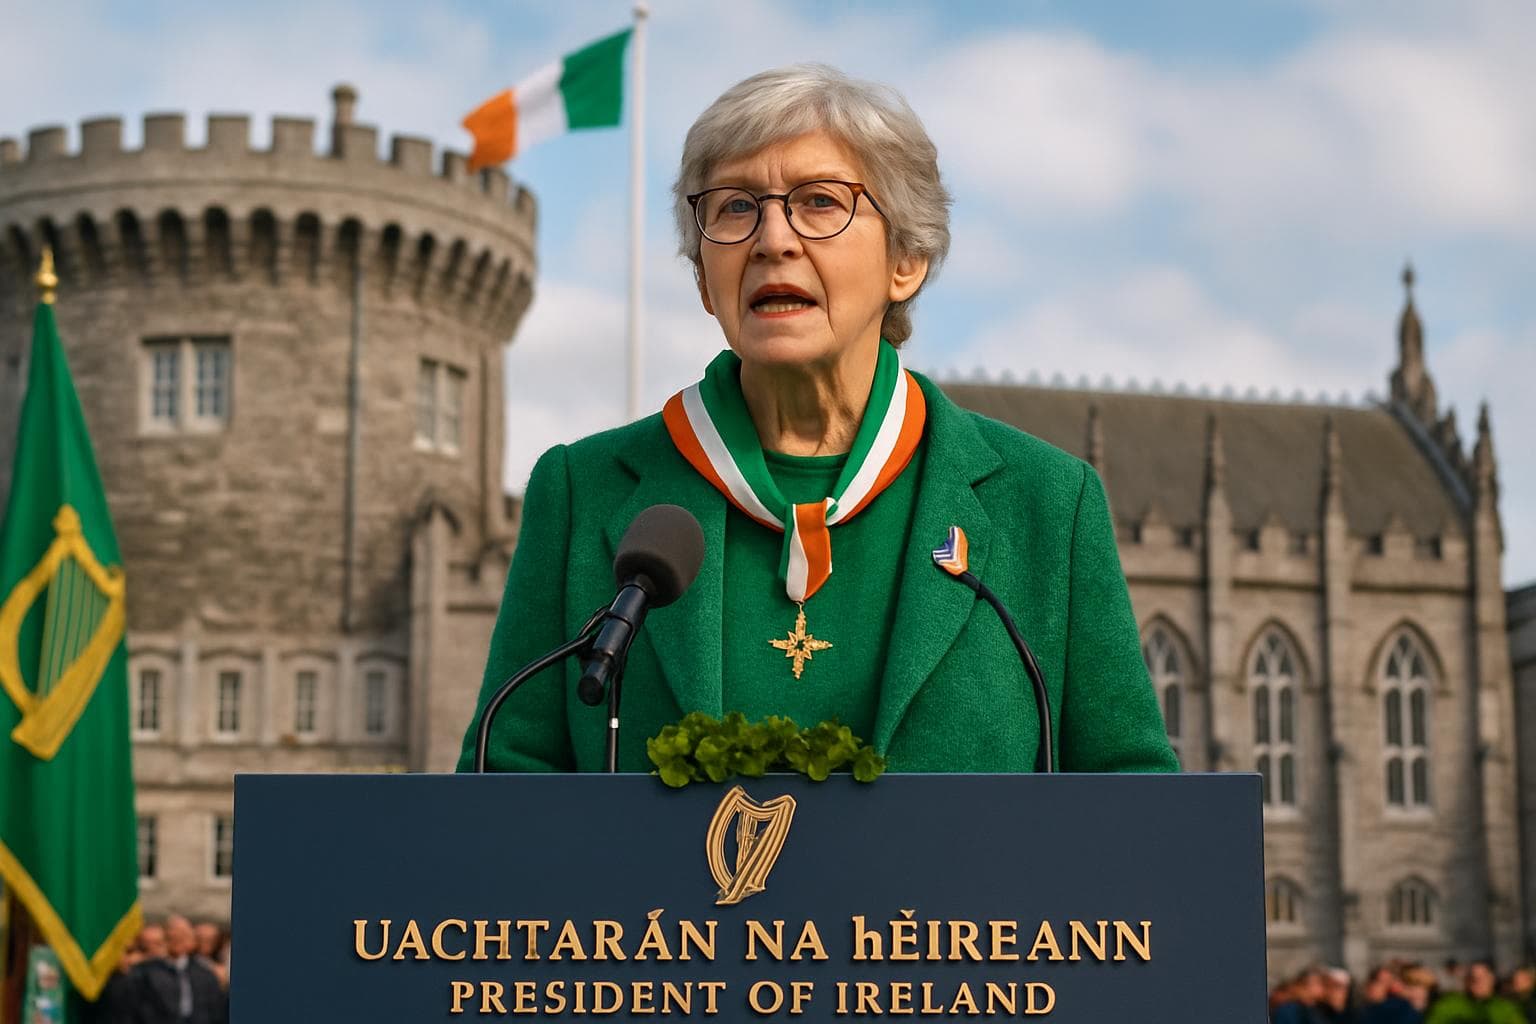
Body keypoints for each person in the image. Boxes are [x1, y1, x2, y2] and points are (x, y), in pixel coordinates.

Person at [459, 64, 1178, 774]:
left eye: (819, 202)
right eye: (736, 207)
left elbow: (1134, 807)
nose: (772, 238)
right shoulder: (579, 492)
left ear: (907, 260)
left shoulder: (1049, 505)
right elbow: (502, 793)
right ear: (705, 278)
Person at [130, 915, 227, 1024]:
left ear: (191, 940)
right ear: (165, 938)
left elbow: (216, 1011)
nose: (177, 940)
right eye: (172, 936)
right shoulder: (145, 973)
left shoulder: (205, 974)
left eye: (182, 936)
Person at [1424, 960, 1527, 1024]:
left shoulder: (1505, 1007)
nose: (1477, 982)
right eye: (1473, 978)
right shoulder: (1449, 1004)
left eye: (1482, 977)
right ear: (1466, 980)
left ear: (1492, 979)